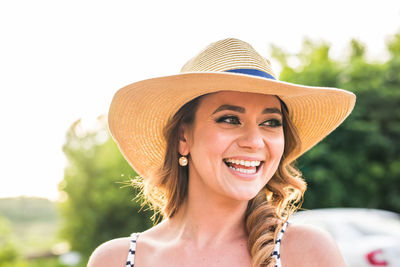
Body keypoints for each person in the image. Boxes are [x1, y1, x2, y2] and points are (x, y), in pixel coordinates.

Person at [88, 38, 355, 267]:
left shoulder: (307, 253)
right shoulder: (116, 260)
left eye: (271, 123)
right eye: (229, 119)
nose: (254, 141)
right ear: (183, 137)